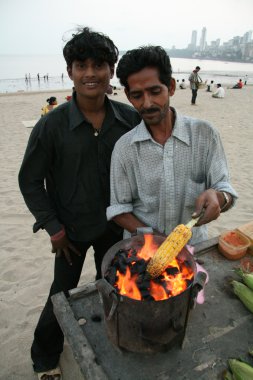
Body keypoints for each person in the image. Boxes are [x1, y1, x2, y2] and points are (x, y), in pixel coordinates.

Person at [18, 27, 140, 380]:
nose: (90, 73)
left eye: (99, 64)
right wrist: (52, 227)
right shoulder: (51, 126)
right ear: (70, 71)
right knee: (63, 293)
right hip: (69, 232)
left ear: (110, 71)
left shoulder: (127, 119)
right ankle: (44, 358)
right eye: (81, 64)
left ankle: (118, 337)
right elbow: (29, 181)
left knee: (118, 284)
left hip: (116, 227)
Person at [106, 45, 237, 246]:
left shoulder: (205, 135)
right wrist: (155, 238)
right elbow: (119, 209)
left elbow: (225, 189)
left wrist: (219, 198)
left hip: (194, 246)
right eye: (137, 95)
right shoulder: (125, 149)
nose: (147, 103)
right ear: (128, 95)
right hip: (145, 250)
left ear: (172, 87)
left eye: (155, 91)